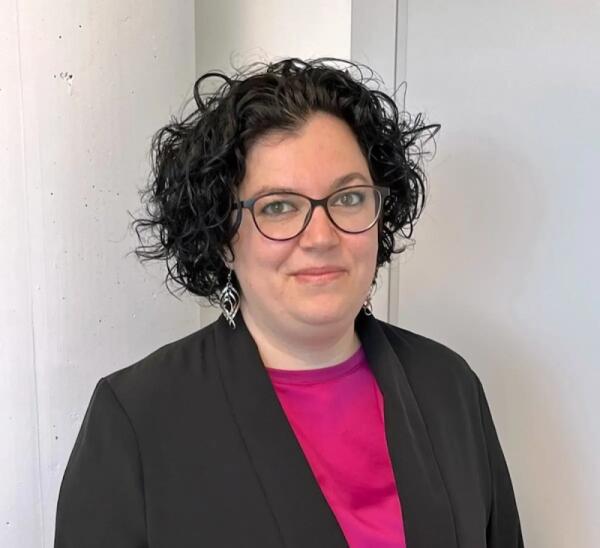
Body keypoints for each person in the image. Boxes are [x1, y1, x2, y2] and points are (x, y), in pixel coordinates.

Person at [54, 57, 524, 547]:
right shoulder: (137, 420)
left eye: (349, 198)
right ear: (221, 236)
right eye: (278, 206)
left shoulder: (449, 387)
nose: (321, 236)